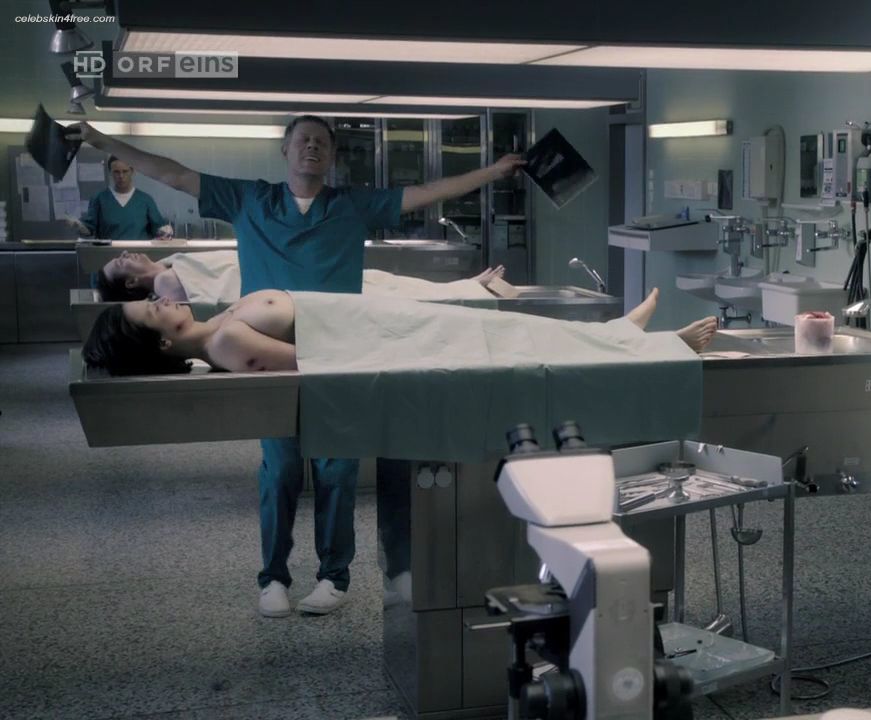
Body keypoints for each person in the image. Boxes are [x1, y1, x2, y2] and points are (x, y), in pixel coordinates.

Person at [69, 115, 524, 618]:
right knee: (280, 470)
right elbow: (173, 173)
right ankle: (273, 578)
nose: (312, 147)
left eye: (322, 141)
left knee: (338, 470)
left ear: (332, 154)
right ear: (285, 149)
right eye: (303, 139)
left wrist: (493, 171)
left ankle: (334, 576)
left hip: (337, 359)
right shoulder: (249, 200)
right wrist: (101, 141)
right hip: (275, 367)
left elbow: (424, 193)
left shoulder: (349, 206)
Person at [82, 287, 717, 376]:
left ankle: (617, 330)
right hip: (386, 338)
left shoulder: (219, 323)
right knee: (514, 341)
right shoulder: (224, 343)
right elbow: (318, 362)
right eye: (152, 312)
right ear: (162, 341)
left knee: (514, 327)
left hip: (380, 319)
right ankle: (653, 344)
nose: (161, 301)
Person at [95, 249, 507, 303]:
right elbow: (228, 289)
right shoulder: (167, 283)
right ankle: (468, 290)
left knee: (381, 281)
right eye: (121, 264)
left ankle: (466, 288)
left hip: (299, 273)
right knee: (386, 291)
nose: (125, 255)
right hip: (294, 286)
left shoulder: (170, 264)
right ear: (131, 283)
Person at [65, 156, 173, 241]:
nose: (121, 176)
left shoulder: (145, 200)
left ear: (132, 171)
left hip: (138, 257)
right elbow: (89, 229)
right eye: (116, 172)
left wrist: (165, 231)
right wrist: (79, 226)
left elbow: (159, 230)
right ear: (110, 173)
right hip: (109, 257)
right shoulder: (100, 199)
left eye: (125, 171)